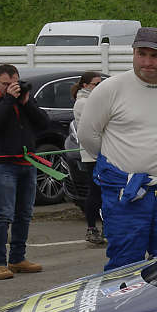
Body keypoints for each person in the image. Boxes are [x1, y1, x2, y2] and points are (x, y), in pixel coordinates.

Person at [76, 27, 157, 268]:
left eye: (155, 56)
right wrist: (121, 165)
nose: (147, 62)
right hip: (124, 196)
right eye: (142, 54)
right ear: (133, 53)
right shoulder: (109, 90)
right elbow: (88, 136)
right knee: (124, 266)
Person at [0, 63, 50, 280]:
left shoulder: (23, 98)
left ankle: (17, 258)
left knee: (24, 214)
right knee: (4, 214)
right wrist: (9, 100)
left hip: (27, 164)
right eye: (6, 84)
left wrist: (26, 103)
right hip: (4, 165)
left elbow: (44, 123)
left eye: (15, 83)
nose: (12, 87)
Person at [67, 72, 106, 246]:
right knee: (95, 192)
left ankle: (106, 227)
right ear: (85, 85)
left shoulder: (95, 100)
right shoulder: (83, 102)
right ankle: (92, 228)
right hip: (92, 154)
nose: (99, 87)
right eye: (96, 84)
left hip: (103, 152)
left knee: (104, 192)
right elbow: (98, 124)